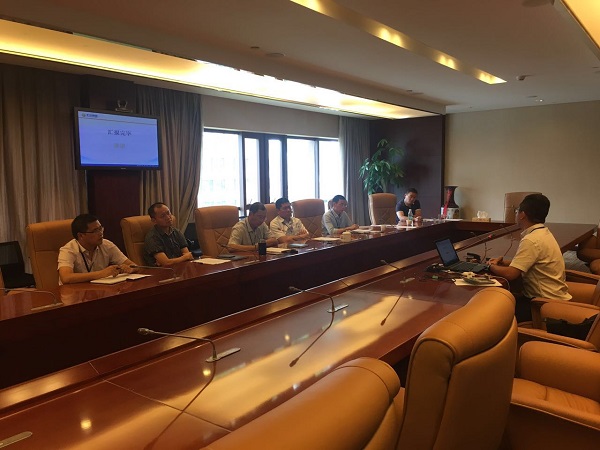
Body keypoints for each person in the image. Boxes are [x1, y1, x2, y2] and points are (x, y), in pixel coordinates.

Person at [488, 194, 570, 322]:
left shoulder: (531, 240)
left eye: (517, 211)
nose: (516, 214)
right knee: (507, 299)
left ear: (522, 215)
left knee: (494, 312)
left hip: (542, 304)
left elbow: (511, 274)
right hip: (554, 297)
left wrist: (491, 266)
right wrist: (507, 263)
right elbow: (534, 262)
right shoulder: (543, 233)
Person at [58, 214, 136, 284]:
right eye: (95, 231)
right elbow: (66, 277)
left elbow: (133, 265)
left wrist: (130, 269)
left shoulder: (107, 245)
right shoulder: (68, 250)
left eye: (100, 228)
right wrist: (102, 274)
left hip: (99, 291)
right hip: (74, 293)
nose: (100, 233)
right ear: (81, 235)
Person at [144, 202, 194, 266]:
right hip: (163, 271)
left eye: (168, 213)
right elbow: (166, 263)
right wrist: (184, 258)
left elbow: (189, 256)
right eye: (162, 216)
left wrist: (184, 258)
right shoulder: (152, 237)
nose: (168, 217)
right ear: (154, 220)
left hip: (181, 268)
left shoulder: (176, 232)